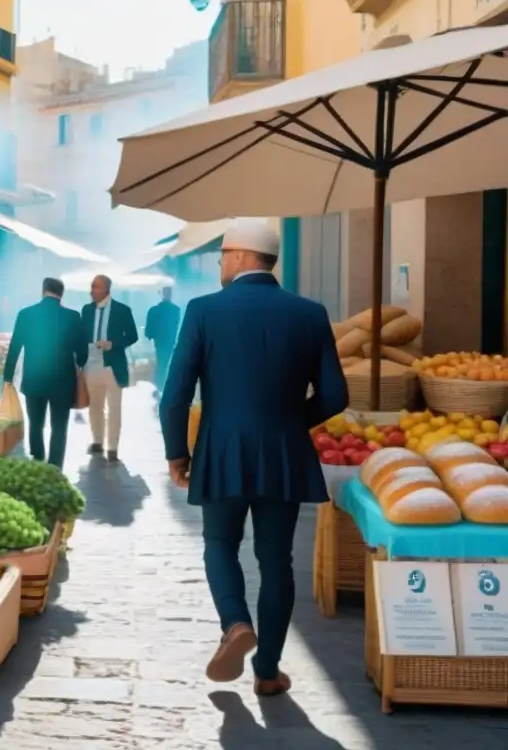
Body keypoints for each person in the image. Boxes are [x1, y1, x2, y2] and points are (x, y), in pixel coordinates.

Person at [159, 220, 347, 697]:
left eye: (223, 255)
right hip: (284, 453)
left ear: (242, 256)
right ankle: (267, 670)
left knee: (220, 543)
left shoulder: (203, 310)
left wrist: (177, 453)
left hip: (221, 449)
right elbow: (335, 395)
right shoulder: (310, 313)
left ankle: (235, 623)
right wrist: (288, 421)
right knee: (276, 561)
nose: (221, 264)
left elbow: (175, 395)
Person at [4, 277, 87, 470]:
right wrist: (79, 365)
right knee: (59, 427)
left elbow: (15, 347)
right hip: (63, 382)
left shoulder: (26, 314)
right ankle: (55, 467)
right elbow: (82, 352)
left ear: (43, 291)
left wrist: (8, 377)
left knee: (36, 423)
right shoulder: (73, 317)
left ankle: (38, 459)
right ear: (61, 294)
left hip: (34, 379)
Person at [80, 275, 139, 463]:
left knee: (114, 408)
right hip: (91, 364)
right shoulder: (86, 310)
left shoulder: (122, 310)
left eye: (96, 287)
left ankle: (113, 447)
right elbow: (81, 335)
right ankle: (97, 441)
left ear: (106, 289)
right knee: (94, 407)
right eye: (91, 286)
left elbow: (133, 336)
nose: (92, 290)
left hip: (112, 365)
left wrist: (113, 344)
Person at [145, 281, 182, 399]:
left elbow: (149, 330)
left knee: (161, 363)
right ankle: (165, 387)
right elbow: (175, 326)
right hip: (170, 341)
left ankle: (160, 387)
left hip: (159, 342)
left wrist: (151, 335)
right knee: (167, 363)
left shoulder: (154, 310)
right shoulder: (176, 310)